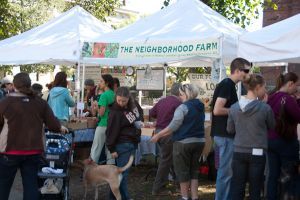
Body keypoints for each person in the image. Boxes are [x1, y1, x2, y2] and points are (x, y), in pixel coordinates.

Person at [0, 72, 67, 200]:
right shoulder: (40, 103)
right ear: (29, 85)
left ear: (14, 85)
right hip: (33, 150)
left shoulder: (6, 102)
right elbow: (53, 125)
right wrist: (61, 128)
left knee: (3, 186)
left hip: (9, 150)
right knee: (31, 185)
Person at [151, 84, 205, 200]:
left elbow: (173, 126)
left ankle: (185, 197)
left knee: (182, 171)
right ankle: (195, 197)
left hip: (183, 142)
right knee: (194, 171)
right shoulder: (201, 105)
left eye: (181, 94)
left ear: (186, 94)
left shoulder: (183, 107)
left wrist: (158, 135)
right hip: (199, 141)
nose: (180, 97)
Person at [227, 74, 275, 200]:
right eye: (264, 87)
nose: (265, 90)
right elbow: (272, 125)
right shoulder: (265, 108)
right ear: (258, 87)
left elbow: (230, 129)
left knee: (237, 187)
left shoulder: (234, 107)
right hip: (257, 152)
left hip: (239, 150)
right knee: (255, 188)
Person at [211, 57, 251, 200]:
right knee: (225, 172)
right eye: (246, 71)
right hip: (224, 135)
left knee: (226, 172)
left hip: (224, 135)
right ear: (238, 70)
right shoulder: (226, 85)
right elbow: (217, 110)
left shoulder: (229, 85)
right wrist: (237, 109)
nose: (248, 74)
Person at [266, 72, 300, 200]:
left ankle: (271, 197)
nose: (297, 88)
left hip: (270, 140)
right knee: (289, 176)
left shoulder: (270, 97)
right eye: (296, 85)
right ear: (290, 83)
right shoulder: (288, 99)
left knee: (272, 175)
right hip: (286, 141)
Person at [106, 87, 142, 200]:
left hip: (130, 142)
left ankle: (113, 198)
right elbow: (111, 131)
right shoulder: (115, 112)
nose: (121, 103)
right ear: (115, 97)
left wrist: (138, 123)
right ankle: (124, 198)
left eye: (124, 101)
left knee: (118, 175)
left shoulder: (132, 104)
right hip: (122, 144)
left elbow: (139, 113)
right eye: (119, 100)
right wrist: (111, 149)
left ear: (128, 99)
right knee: (121, 176)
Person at [150, 82, 182, 195]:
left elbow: (151, 112)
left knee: (170, 159)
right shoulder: (178, 103)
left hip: (158, 132)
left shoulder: (162, 101)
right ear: (180, 92)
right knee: (166, 161)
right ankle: (157, 188)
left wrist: (160, 117)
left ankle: (179, 184)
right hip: (168, 133)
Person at [90, 74, 115, 164]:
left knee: (96, 148)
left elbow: (101, 113)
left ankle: (91, 169)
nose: (99, 83)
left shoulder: (104, 96)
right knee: (109, 149)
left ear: (106, 83)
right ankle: (110, 171)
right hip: (112, 125)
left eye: (101, 81)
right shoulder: (114, 94)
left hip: (103, 124)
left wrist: (96, 106)